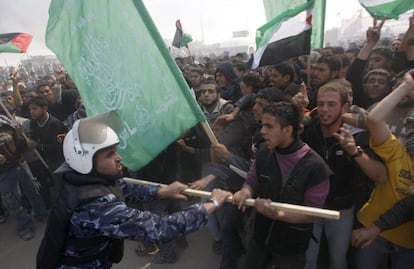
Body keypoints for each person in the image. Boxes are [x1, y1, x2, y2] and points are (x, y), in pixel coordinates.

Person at [36, 114, 232, 269]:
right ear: (84, 159)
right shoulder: (95, 206)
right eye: (110, 154)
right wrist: (210, 205)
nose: (119, 158)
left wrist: (162, 191)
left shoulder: (84, 179)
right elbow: (159, 228)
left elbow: (122, 187)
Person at [232, 101, 331, 269]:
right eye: (262, 125)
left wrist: (277, 214)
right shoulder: (263, 151)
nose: (262, 131)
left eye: (269, 127)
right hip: (260, 238)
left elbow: (311, 213)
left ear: (288, 130)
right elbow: (252, 180)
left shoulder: (316, 167)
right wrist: (244, 193)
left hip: (290, 247)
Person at [353, 69, 414, 269]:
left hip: (408, 243)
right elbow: (373, 119)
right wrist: (406, 85)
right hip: (373, 230)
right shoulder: (399, 151)